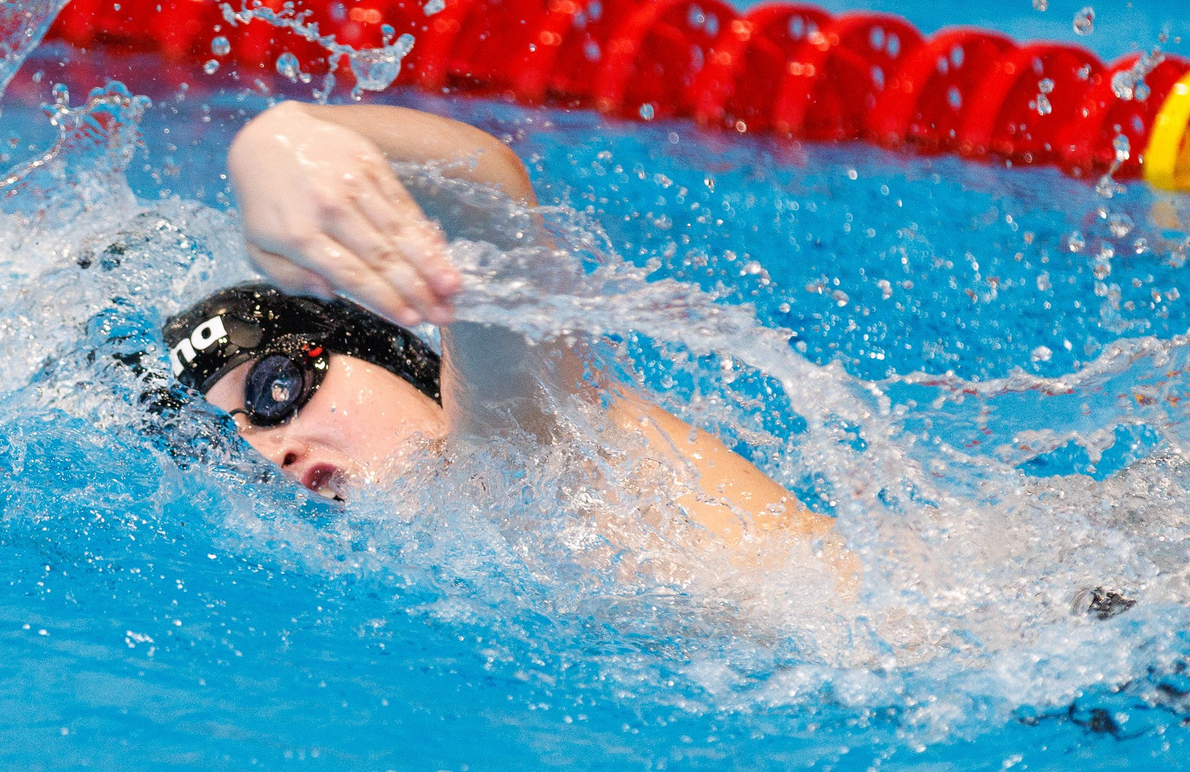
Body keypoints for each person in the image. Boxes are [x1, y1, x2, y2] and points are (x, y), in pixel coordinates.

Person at [161, 101, 833, 560]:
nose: (270, 450)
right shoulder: (451, 542)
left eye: (276, 390)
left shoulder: (516, 449)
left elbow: (486, 200)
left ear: (388, 353)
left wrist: (287, 134)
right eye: (233, 441)